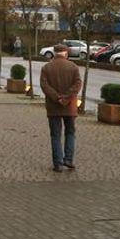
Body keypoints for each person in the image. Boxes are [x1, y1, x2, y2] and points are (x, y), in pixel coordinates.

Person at [40, 42, 82, 172]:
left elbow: (44, 86)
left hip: (53, 106)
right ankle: (68, 159)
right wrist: (66, 98)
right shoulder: (73, 67)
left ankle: (57, 163)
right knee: (70, 133)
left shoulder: (46, 68)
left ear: (54, 53)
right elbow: (77, 85)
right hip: (69, 106)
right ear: (66, 53)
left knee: (55, 135)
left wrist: (57, 98)